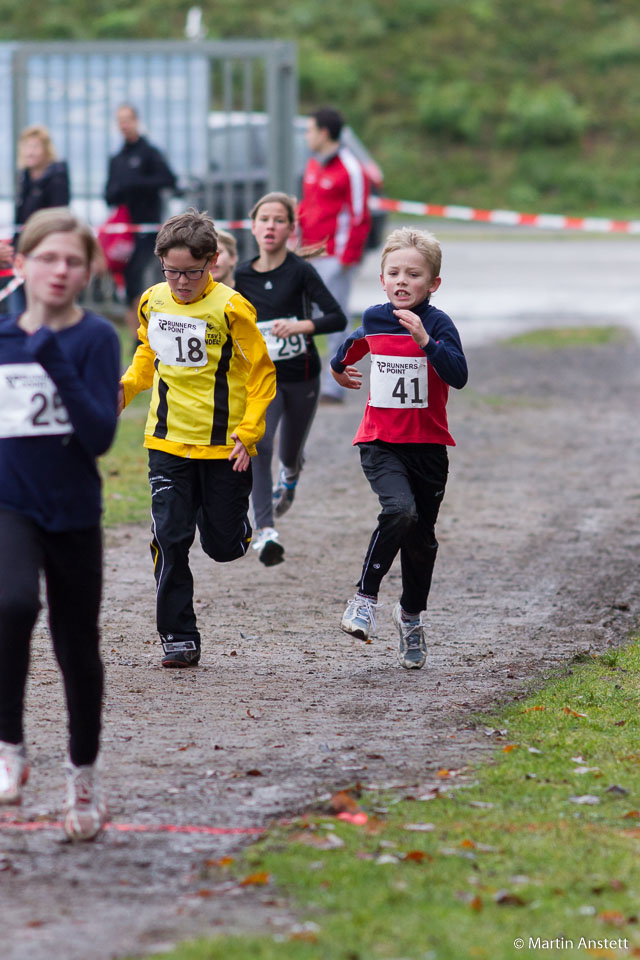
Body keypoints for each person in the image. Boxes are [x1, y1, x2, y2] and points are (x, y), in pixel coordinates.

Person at [0, 208, 120, 839]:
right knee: (11, 604)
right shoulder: (1, 338)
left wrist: (53, 357)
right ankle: (9, 751)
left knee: (78, 649)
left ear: (89, 270)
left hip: (73, 511)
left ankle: (82, 781)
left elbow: (100, 436)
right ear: (22, 264)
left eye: (73, 260)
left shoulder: (95, 339)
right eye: (47, 258)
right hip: (9, 506)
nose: (60, 270)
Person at [119, 208, 276, 668]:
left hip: (224, 445)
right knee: (169, 536)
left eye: (190, 272)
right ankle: (178, 634)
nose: (181, 282)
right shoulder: (152, 300)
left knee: (222, 546)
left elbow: (262, 373)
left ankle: (238, 529)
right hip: (166, 441)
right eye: (172, 272)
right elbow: (148, 353)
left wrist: (250, 433)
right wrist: (124, 389)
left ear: (211, 263)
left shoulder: (231, 307)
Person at [330, 227, 467, 670]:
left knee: (421, 541)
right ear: (383, 279)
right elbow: (351, 344)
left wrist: (427, 340)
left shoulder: (439, 324)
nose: (403, 281)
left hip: (428, 449)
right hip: (380, 441)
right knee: (398, 511)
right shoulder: (376, 317)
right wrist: (338, 368)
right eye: (394, 273)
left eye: (414, 274)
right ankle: (364, 599)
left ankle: (410, 617)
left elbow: (459, 374)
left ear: (433, 284)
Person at [234, 192, 347, 565]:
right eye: (263, 219)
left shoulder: (300, 271)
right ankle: (265, 532)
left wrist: (300, 325)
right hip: (264, 381)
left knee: (288, 451)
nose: (270, 226)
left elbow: (337, 317)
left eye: (279, 220)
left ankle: (292, 473)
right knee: (261, 445)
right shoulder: (243, 275)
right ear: (252, 226)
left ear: (290, 229)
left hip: (302, 377)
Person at [298, 107, 371, 404]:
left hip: (334, 257)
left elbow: (359, 216)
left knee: (333, 319)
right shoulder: (314, 165)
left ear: (324, 133)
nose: (307, 136)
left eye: (310, 129)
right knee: (306, 318)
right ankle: (307, 379)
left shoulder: (351, 168)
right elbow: (308, 208)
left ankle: (334, 385)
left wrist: (347, 258)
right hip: (310, 254)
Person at [105, 104, 177, 340]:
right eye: (120, 120)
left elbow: (168, 179)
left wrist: (136, 183)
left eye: (128, 119)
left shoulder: (149, 152)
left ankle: (146, 336)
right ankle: (136, 337)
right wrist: (120, 189)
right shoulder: (117, 158)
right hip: (126, 231)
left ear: (136, 120)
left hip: (148, 229)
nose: (124, 125)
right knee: (129, 280)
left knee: (145, 276)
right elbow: (108, 195)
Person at [8, 125, 71, 314]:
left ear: (46, 150)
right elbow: (20, 218)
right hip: (23, 249)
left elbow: (58, 217)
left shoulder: (56, 178)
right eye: (27, 146)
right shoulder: (24, 178)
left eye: (35, 146)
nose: (30, 152)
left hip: (45, 249)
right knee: (17, 304)